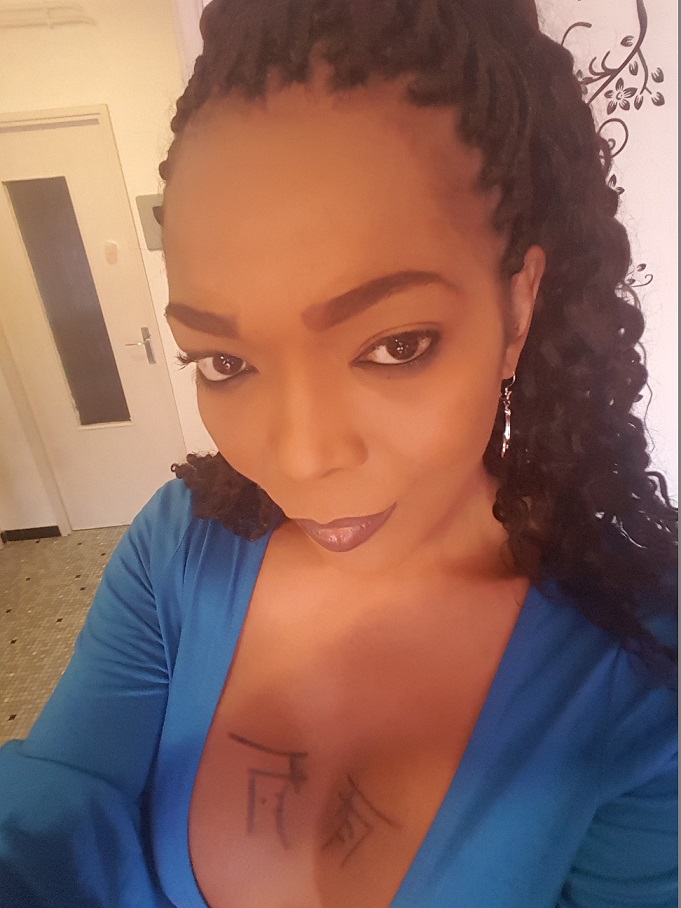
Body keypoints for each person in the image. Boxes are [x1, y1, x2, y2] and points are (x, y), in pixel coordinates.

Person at [0, 0, 677, 905]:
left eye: (394, 345)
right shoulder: (181, 551)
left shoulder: (638, 665)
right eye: (225, 362)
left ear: (516, 310)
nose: (299, 458)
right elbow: (48, 821)